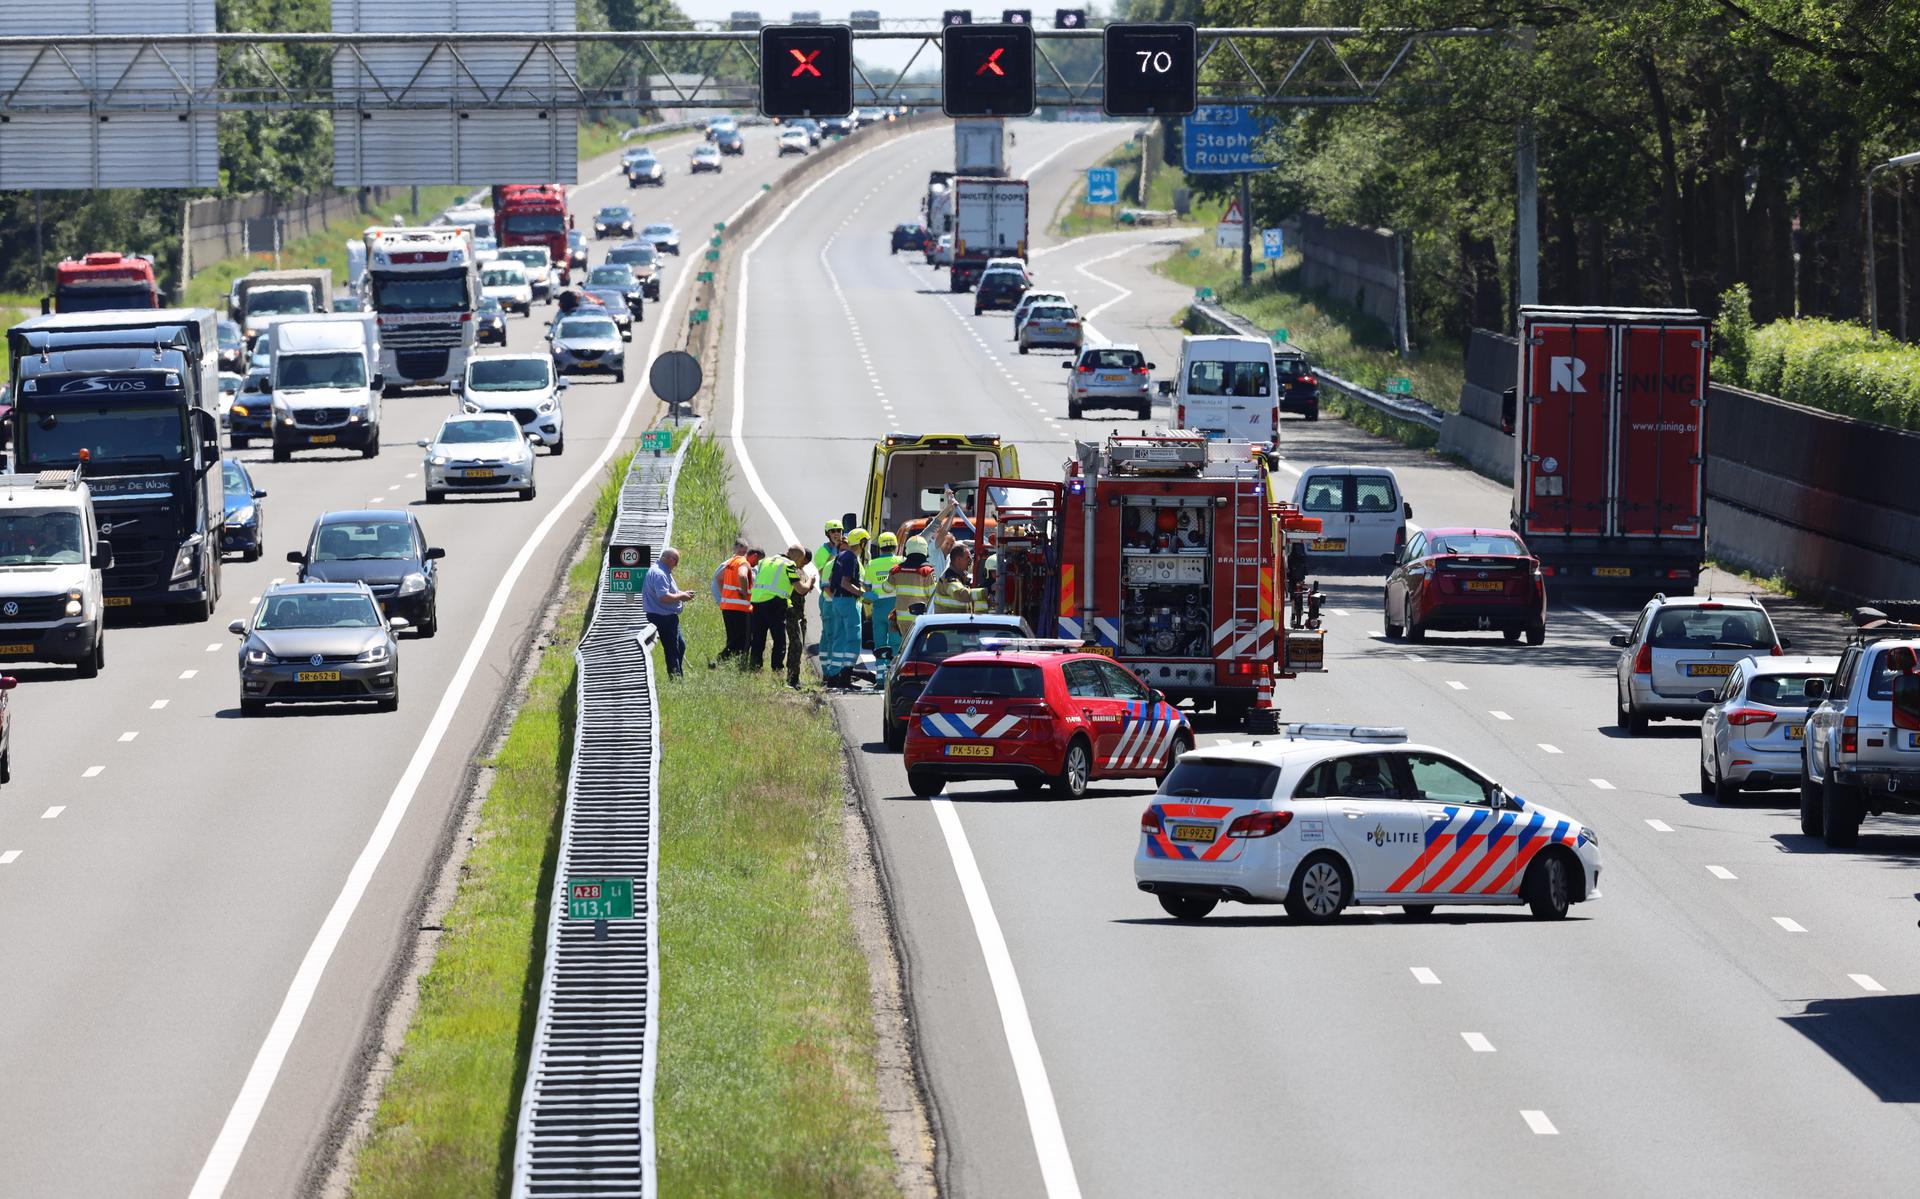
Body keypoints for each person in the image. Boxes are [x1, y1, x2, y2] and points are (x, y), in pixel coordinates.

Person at [821, 527, 868, 687]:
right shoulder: (851, 558)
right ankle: (846, 677)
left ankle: (834, 676)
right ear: (862, 542)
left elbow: (832, 579)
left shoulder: (840, 556)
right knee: (854, 639)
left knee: (839, 639)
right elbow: (845, 582)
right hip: (848, 601)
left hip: (837, 601)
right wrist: (863, 594)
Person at [642, 546, 695, 678]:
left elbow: (668, 593)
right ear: (669, 559)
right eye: (676, 560)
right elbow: (664, 597)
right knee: (673, 649)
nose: (677, 564)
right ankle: (676, 679)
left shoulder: (662, 570)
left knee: (680, 646)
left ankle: (677, 675)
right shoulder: (660, 574)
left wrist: (682, 593)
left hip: (666, 616)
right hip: (662, 617)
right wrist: (682, 597)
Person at [749, 542, 801, 673]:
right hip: (774, 603)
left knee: (758, 638)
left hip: (757, 601)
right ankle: (777, 669)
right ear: (797, 558)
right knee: (779, 640)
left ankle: (755, 668)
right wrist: (809, 582)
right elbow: (800, 589)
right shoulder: (790, 565)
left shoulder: (765, 561)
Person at [710, 541, 761, 664]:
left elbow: (719, 578)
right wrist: (744, 592)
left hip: (728, 606)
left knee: (733, 637)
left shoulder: (731, 562)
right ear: (754, 556)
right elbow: (742, 576)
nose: (756, 564)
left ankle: (727, 661)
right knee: (743, 638)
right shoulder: (743, 563)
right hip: (740, 607)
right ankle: (721, 660)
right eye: (757, 561)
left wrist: (725, 597)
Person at [864, 530, 902, 681]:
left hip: (878, 608)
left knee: (880, 643)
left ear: (880, 547)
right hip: (895, 607)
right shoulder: (901, 561)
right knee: (896, 643)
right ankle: (893, 678)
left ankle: (880, 678)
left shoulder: (872, 564)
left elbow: (867, 588)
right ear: (895, 546)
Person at [888, 535, 937, 647]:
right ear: (925, 550)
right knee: (918, 647)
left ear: (907, 550)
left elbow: (887, 588)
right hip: (920, 619)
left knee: (905, 647)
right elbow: (934, 595)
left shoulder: (896, 570)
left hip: (901, 619)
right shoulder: (927, 571)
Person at [787, 546, 816, 689]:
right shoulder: (790, 569)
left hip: (799, 612)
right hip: (790, 611)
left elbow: (804, 590)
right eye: (803, 561)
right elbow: (801, 589)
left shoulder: (801, 572)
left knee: (798, 645)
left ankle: (794, 677)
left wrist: (809, 585)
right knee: (796, 644)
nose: (803, 565)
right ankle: (791, 678)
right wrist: (809, 583)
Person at [932, 541, 986, 614]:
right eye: (967, 558)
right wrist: (984, 592)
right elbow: (961, 594)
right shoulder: (949, 578)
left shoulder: (962, 576)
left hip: (958, 622)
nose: (970, 561)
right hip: (947, 624)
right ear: (958, 560)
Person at [814, 519, 847, 625]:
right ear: (828, 534)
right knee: (830, 633)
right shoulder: (821, 552)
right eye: (833, 531)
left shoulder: (846, 547)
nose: (836, 533)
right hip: (828, 597)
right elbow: (823, 573)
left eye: (839, 530)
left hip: (844, 596)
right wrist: (835, 550)